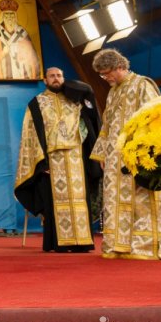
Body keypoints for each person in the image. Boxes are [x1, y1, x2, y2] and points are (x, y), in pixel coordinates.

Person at [91, 49, 161, 260]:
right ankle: (120, 245)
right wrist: (103, 154)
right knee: (115, 202)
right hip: (115, 157)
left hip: (137, 154)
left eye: (108, 73)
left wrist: (145, 151)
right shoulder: (113, 91)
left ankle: (145, 246)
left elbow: (155, 116)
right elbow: (107, 124)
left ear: (120, 66)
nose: (106, 79)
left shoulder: (143, 84)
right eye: (102, 76)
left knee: (142, 201)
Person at [13, 66, 101, 252]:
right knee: (54, 202)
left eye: (59, 75)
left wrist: (88, 97)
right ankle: (58, 244)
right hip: (52, 161)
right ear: (45, 80)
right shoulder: (37, 104)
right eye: (52, 76)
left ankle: (82, 243)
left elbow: (92, 126)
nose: (56, 79)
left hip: (77, 158)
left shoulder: (76, 101)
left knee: (80, 200)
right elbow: (31, 135)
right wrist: (41, 163)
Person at [0, 0, 41, 80]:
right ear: (3, 16)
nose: (9, 17)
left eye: (12, 14)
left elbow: (32, 57)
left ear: (15, 16)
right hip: (5, 71)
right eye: (7, 14)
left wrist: (23, 54)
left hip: (22, 71)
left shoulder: (22, 33)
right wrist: (2, 53)